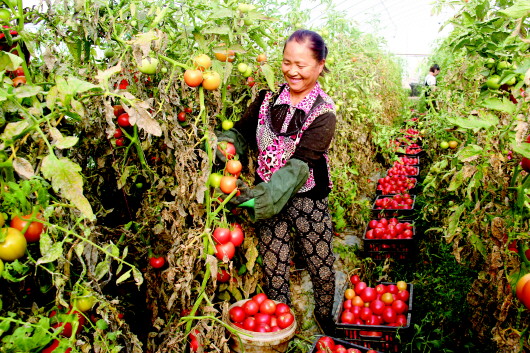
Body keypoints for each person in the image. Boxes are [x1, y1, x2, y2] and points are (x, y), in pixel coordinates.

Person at [216, 29, 337, 334]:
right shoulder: (267, 98)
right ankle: (280, 324)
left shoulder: (324, 113)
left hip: (305, 195)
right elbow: (242, 132)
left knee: (319, 259)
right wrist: (225, 146)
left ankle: (325, 317)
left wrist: (259, 198)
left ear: (320, 64)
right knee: (274, 264)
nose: (292, 71)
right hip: (266, 187)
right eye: (287, 62)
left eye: (302, 65)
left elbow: (299, 167)